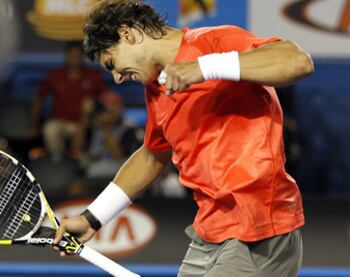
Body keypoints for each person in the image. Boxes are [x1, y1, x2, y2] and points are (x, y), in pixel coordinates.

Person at [53, 1, 314, 276]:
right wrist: (93, 218)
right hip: (209, 233)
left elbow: (298, 62)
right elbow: (152, 155)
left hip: (258, 230)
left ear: (128, 34)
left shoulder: (213, 42)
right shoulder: (157, 90)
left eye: (112, 63)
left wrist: (205, 67)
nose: (117, 78)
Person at [29, 41, 106, 161]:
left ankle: (82, 163)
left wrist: (93, 114)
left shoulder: (93, 76)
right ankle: (58, 161)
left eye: (78, 55)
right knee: (50, 128)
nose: (75, 58)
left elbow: (104, 100)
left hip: (85, 123)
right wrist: (33, 124)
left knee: (87, 136)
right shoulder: (55, 75)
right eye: (72, 55)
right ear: (66, 56)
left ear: (82, 56)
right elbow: (38, 98)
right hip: (60, 122)